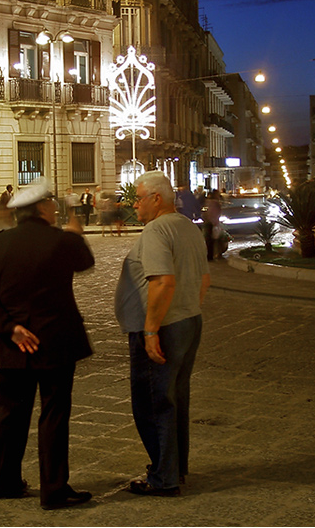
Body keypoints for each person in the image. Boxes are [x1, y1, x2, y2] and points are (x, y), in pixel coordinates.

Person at [0, 176, 94, 511]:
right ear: (42, 207)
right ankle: (54, 489)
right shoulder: (62, 242)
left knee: (9, 415)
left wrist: (10, 328)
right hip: (56, 343)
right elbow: (85, 263)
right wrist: (77, 234)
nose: (55, 207)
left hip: (13, 345)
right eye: (52, 202)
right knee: (54, 414)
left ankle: (3, 481)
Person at [114, 171, 210, 496]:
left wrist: (152, 329)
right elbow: (204, 279)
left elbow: (162, 281)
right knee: (176, 398)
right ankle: (174, 467)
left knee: (154, 402)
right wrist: (186, 308)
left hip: (163, 326)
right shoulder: (188, 226)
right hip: (189, 321)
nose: (134, 204)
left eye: (139, 197)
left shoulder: (157, 229)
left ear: (156, 199)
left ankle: (163, 477)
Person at [203, 189, 222, 261]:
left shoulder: (208, 203)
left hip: (209, 222)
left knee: (209, 240)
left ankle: (209, 256)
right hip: (213, 223)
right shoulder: (215, 203)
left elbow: (206, 213)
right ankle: (212, 256)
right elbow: (216, 213)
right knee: (213, 240)